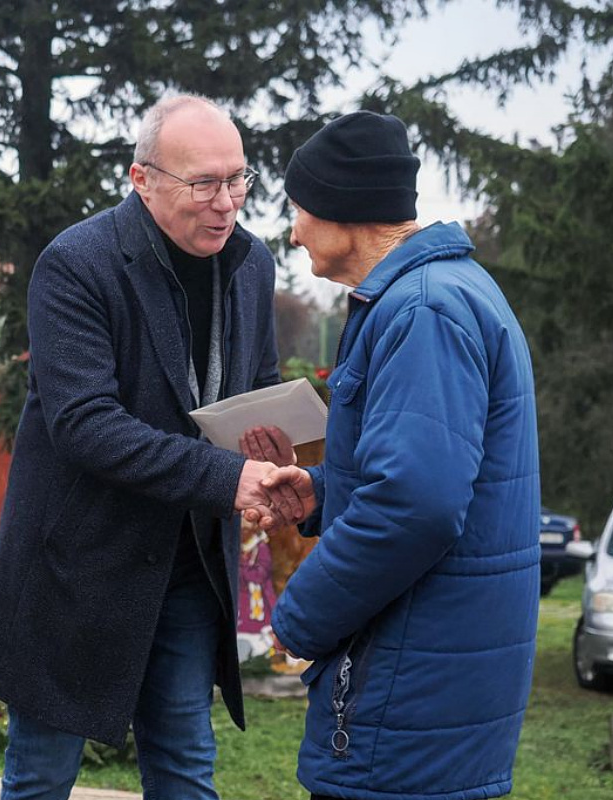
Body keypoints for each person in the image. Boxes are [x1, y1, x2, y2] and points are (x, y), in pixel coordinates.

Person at [0, 95, 302, 800]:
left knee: (185, 770)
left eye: (237, 179)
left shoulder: (252, 264)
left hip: (189, 567)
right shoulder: (76, 263)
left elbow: (257, 383)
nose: (226, 203)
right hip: (77, 568)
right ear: (142, 179)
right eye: (203, 183)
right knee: (41, 779)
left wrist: (273, 451)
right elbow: (87, 424)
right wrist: (228, 478)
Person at [255, 111, 540, 800]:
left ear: (342, 209)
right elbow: (433, 473)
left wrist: (298, 619)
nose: (293, 232)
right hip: (426, 689)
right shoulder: (438, 295)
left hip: (407, 703)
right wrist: (325, 490)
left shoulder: (422, 312)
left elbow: (416, 506)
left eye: (298, 208)